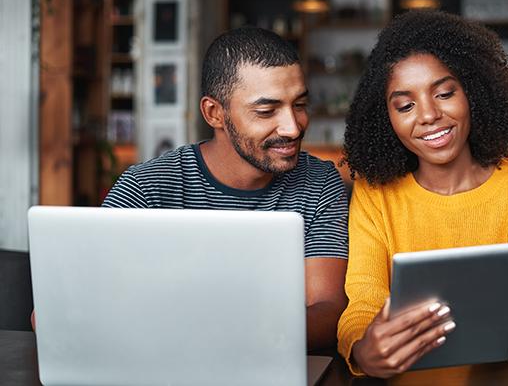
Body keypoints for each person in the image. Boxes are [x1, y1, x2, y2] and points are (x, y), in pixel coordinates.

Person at [336, 11, 508, 377]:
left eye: (444, 93)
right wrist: (364, 348)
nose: (428, 115)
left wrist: (452, 335)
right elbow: (363, 306)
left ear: (474, 91)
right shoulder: (376, 195)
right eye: (405, 105)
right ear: (386, 118)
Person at [101, 27, 349, 351]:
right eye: (266, 111)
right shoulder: (147, 187)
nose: (293, 126)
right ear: (214, 113)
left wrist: (225, 339)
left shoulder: (319, 183)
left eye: (300, 104)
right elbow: (69, 307)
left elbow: (329, 311)